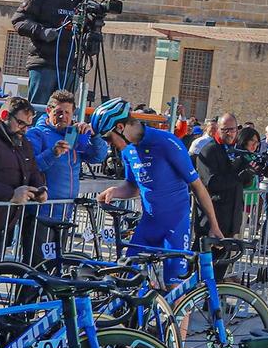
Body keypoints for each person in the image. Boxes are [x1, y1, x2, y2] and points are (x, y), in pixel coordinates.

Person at [91, 98, 221, 254]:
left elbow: (198, 186)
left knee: (174, 278)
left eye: (107, 138)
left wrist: (214, 226)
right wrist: (115, 191)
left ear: (120, 127)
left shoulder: (166, 143)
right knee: (128, 273)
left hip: (175, 225)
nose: (108, 144)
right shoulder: (127, 150)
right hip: (149, 223)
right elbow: (133, 187)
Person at [13, 0, 95, 104]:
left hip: (70, 68)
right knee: (39, 110)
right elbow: (19, 20)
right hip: (44, 64)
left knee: (64, 113)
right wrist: (42, 32)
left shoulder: (81, 5)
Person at [27, 90, 107, 216]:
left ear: (73, 113)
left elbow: (98, 157)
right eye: (58, 112)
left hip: (66, 211)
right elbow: (30, 167)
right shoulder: (36, 134)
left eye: (67, 112)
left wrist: (94, 135)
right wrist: (53, 153)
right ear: (48, 111)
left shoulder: (75, 135)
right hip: (40, 212)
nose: (63, 116)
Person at [197, 114, 247, 236]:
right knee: (204, 254)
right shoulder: (209, 151)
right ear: (217, 129)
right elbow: (212, 183)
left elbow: (242, 183)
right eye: (225, 130)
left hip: (232, 219)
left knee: (228, 254)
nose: (229, 133)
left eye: (232, 130)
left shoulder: (238, 150)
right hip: (212, 219)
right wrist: (238, 177)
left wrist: (248, 174)